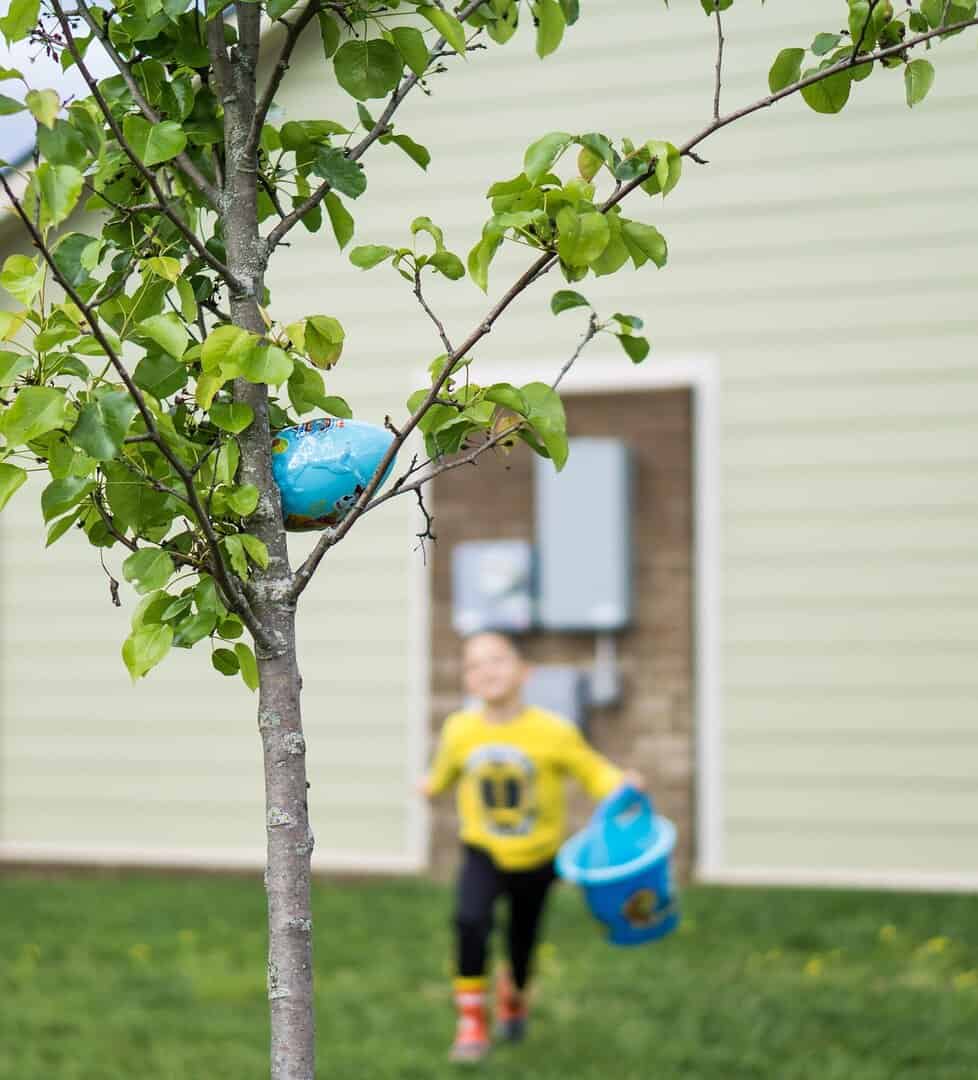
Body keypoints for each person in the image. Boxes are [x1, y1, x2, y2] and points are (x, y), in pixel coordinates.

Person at [419, 631, 643, 1063]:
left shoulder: (553, 731)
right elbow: (446, 770)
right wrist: (430, 787)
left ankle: (515, 996)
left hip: (539, 857)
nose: (486, 670)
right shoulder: (460, 729)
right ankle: (471, 1023)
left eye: (497, 659)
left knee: (521, 940)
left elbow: (593, 771)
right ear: (467, 680)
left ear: (525, 672)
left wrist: (621, 785)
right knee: (470, 922)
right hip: (482, 849)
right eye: (474, 664)